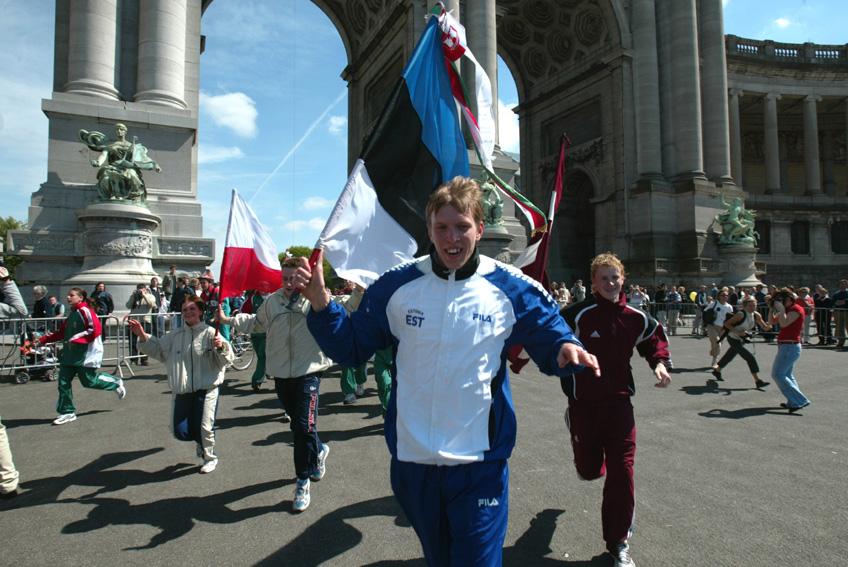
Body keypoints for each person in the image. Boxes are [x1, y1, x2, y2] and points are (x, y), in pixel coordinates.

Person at [297, 177, 599, 565]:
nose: (451, 238)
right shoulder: (396, 285)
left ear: (480, 229)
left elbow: (550, 332)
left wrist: (565, 348)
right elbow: (351, 346)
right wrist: (321, 301)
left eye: (462, 227)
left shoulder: (511, 287)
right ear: (429, 230)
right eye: (442, 227)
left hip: (480, 466)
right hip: (413, 462)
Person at [559, 253, 670, 567]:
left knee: (622, 472)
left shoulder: (636, 316)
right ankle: (577, 435)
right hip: (583, 405)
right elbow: (549, 335)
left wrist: (659, 364)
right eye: (603, 278)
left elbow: (653, 340)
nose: (610, 283)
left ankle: (618, 544)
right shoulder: (576, 314)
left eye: (615, 277)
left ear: (624, 279)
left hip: (620, 406)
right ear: (593, 282)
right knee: (590, 470)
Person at [218, 257, 335, 512]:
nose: (290, 283)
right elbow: (255, 323)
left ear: (303, 277)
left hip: (310, 372)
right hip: (281, 373)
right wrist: (227, 320)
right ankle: (319, 450)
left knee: (303, 427)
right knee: (301, 425)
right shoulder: (272, 301)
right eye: (286, 278)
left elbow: (341, 308)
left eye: (295, 277)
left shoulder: (314, 297)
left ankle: (302, 481)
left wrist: (358, 292)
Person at [130, 296, 233, 473]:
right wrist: (141, 335)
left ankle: (209, 456)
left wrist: (221, 347)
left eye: (192, 309)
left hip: (206, 388)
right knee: (180, 431)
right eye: (185, 310)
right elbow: (158, 350)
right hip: (183, 390)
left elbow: (227, 360)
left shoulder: (211, 333)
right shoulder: (174, 335)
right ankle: (201, 441)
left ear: (200, 311)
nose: (188, 313)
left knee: (205, 427)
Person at [38, 287, 126, 426]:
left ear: (80, 298)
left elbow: (95, 329)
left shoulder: (86, 311)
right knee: (63, 383)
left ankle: (115, 382)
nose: (68, 297)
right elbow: (62, 333)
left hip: (85, 354)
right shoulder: (72, 314)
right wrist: (42, 340)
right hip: (69, 355)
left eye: (71, 295)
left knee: (89, 382)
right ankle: (67, 412)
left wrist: (76, 339)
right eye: (67, 295)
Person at [79, 122, 160, 201]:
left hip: (128, 167)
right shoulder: (111, 144)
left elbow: (143, 158)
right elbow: (104, 154)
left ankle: (135, 196)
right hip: (113, 167)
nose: (119, 131)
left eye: (121, 129)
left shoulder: (132, 146)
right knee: (105, 176)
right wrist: (98, 162)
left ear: (125, 132)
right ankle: (108, 197)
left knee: (132, 174)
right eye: (117, 130)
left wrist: (155, 165)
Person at [712, 297, 770, 389]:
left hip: (742, 338)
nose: (753, 308)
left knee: (730, 355)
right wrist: (737, 332)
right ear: (744, 306)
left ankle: (717, 370)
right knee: (750, 358)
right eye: (750, 306)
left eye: (754, 305)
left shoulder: (756, 315)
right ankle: (757, 381)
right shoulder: (740, 314)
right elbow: (727, 324)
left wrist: (772, 321)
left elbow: (765, 328)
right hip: (733, 338)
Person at [768, 289, 811, 413]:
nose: (781, 302)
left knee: (777, 374)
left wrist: (781, 310)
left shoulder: (796, 309)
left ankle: (800, 400)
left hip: (790, 346)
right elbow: (771, 322)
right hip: (786, 346)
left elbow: (784, 324)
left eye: (783, 300)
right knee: (786, 375)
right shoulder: (787, 310)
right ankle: (793, 402)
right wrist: (772, 309)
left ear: (790, 299)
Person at [126, 283, 157, 366]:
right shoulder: (134, 297)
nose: (140, 290)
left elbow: (151, 304)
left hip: (145, 321)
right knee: (132, 341)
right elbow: (128, 305)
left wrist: (144, 295)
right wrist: (133, 296)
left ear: (145, 289)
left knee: (144, 340)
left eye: (142, 289)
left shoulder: (150, 296)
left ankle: (144, 359)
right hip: (134, 321)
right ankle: (133, 359)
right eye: (139, 289)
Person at [705, 288, 736, 369]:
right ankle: (715, 361)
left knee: (716, 345)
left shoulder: (729, 306)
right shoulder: (713, 304)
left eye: (726, 295)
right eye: (723, 295)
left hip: (723, 328)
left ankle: (713, 351)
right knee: (717, 343)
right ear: (719, 296)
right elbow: (705, 312)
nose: (725, 297)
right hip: (712, 326)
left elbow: (730, 318)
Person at [831, 279, 848, 348]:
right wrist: (835, 303)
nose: (842, 285)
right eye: (841, 284)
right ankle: (841, 342)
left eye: (844, 284)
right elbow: (832, 301)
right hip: (838, 312)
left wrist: (845, 301)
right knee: (839, 327)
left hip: (847, 311)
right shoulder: (836, 293)